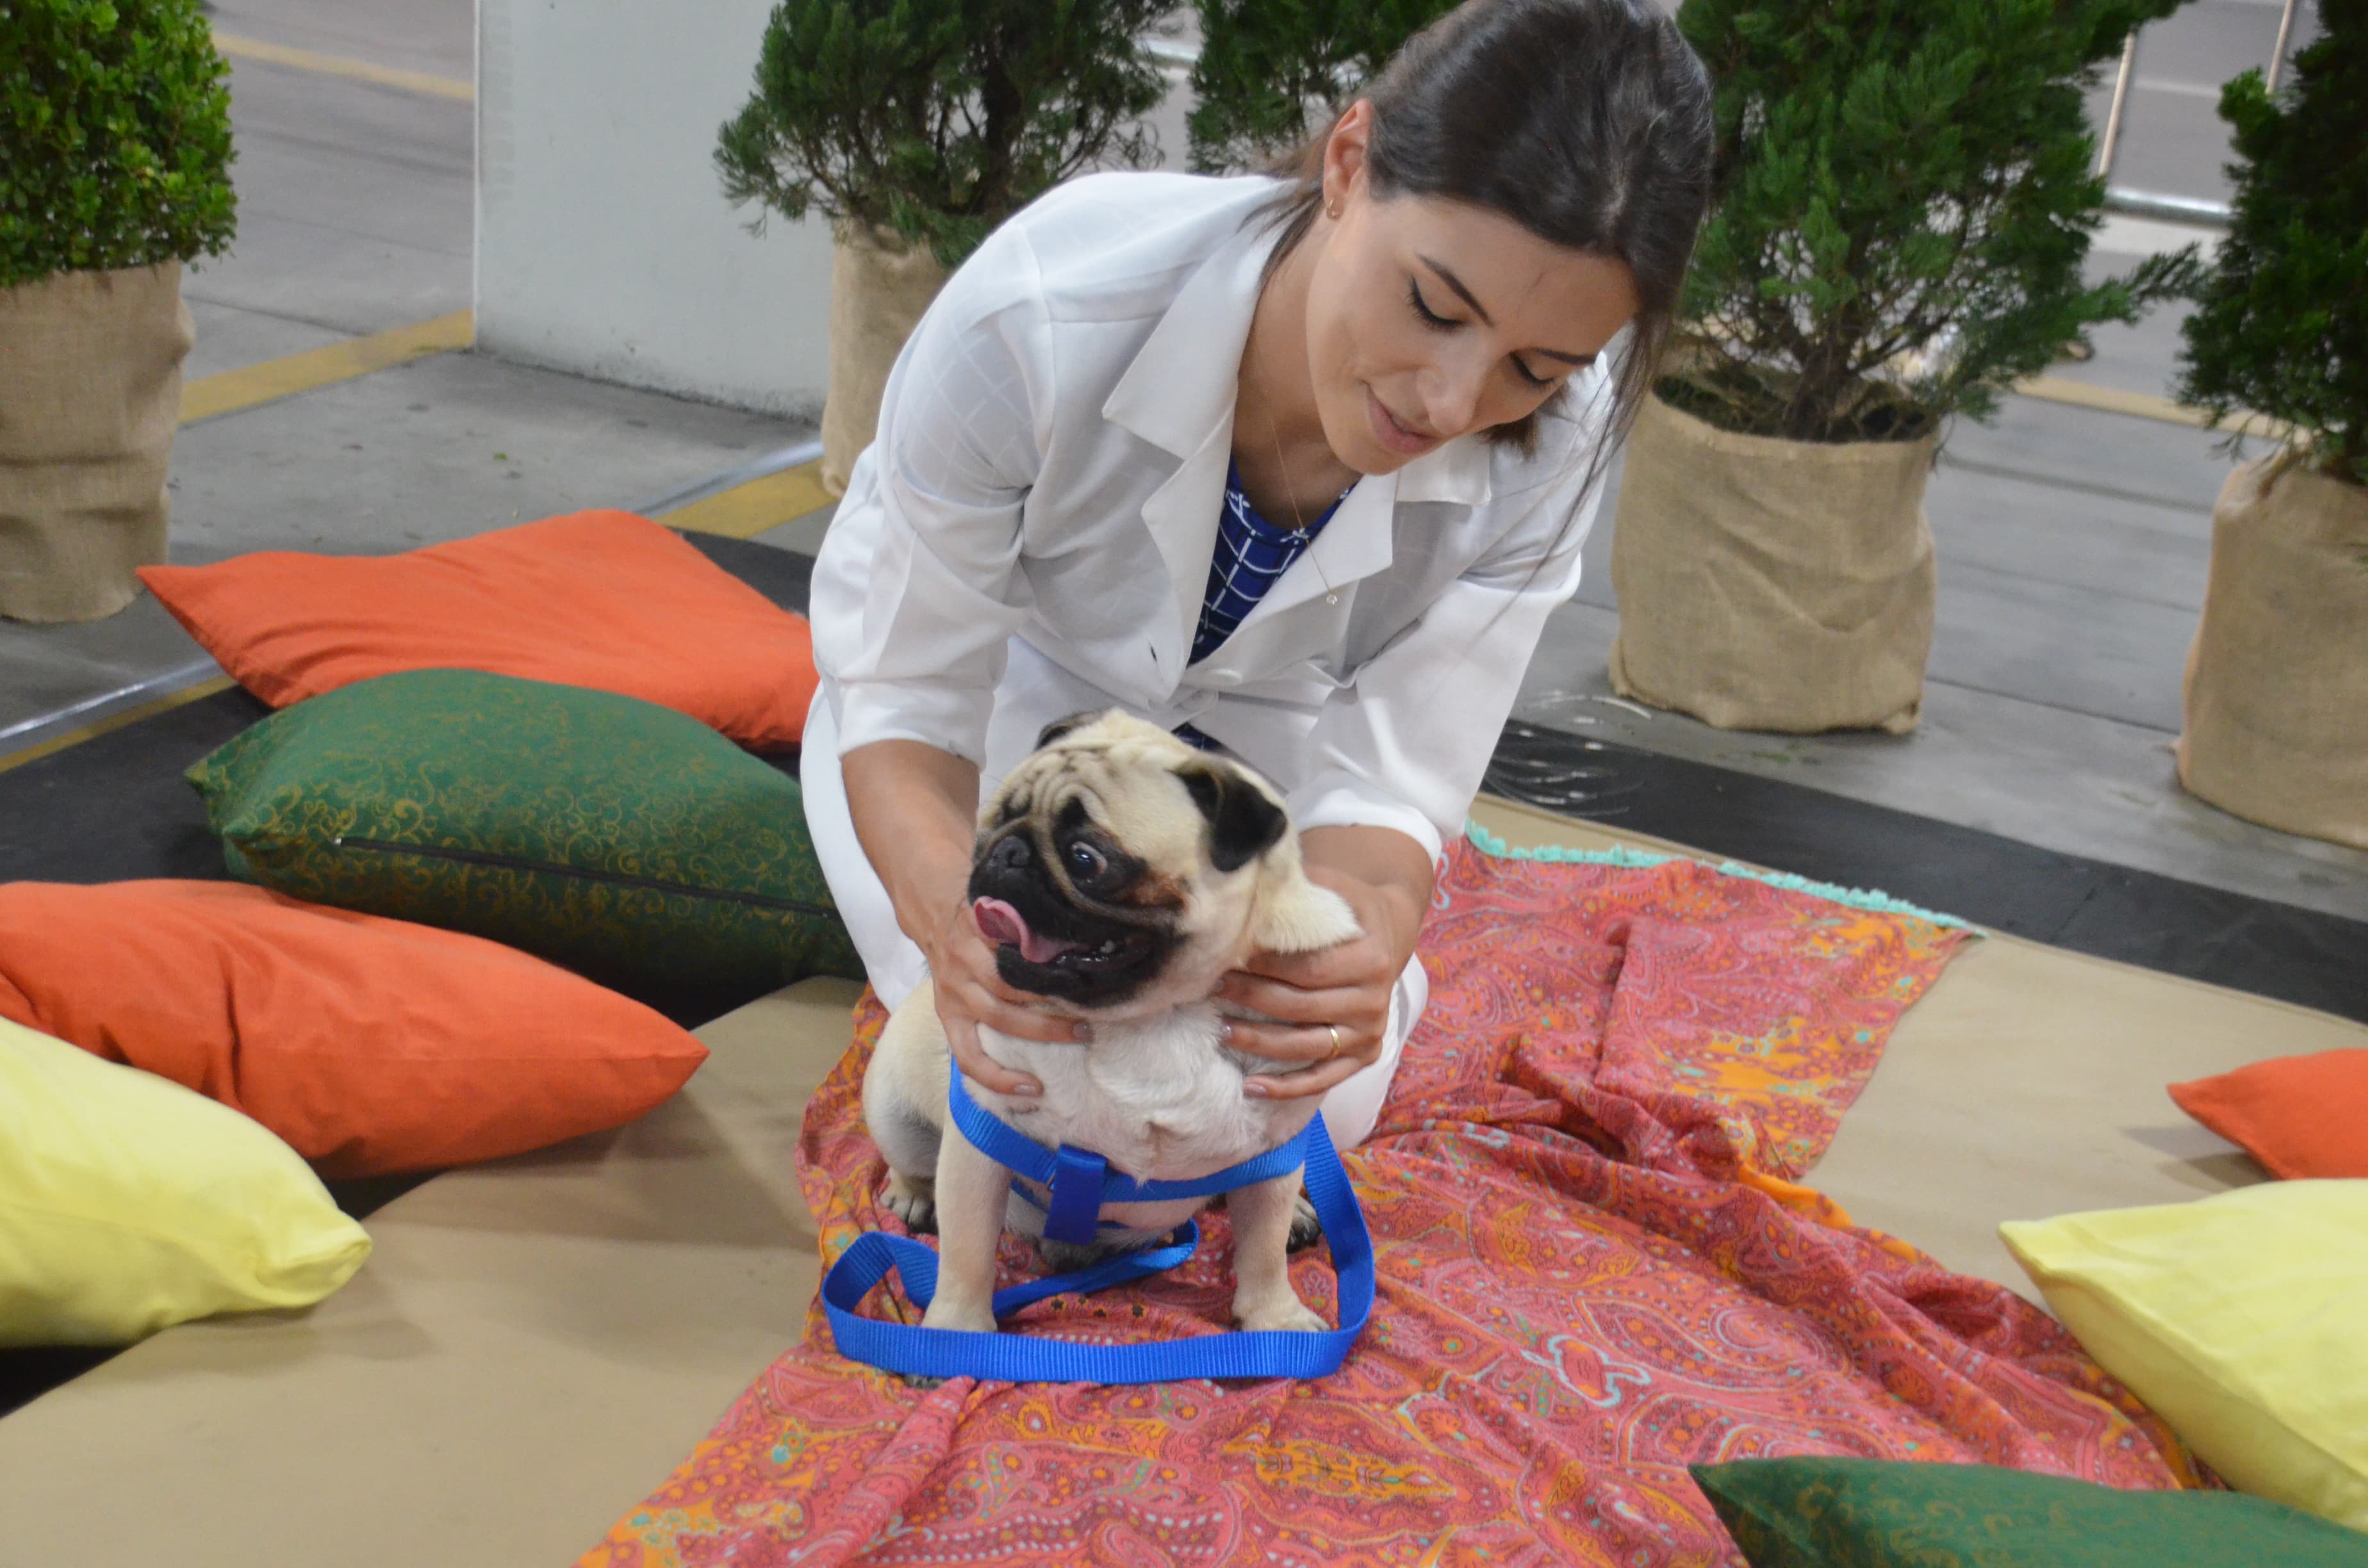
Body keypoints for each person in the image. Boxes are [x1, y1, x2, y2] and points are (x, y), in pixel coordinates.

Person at [803, 0, 1714, 1150]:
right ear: (1349, 163)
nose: (1451, 402)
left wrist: (1365, 935)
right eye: (1434, 306)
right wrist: (951, 918)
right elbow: (909, 695)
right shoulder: (1038, 312)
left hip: (1268, 757)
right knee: (1030, 1066)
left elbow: (1393, 787)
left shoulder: (1560, 443)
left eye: (1532, 369)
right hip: (1002, 716)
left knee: (1298, 1099)